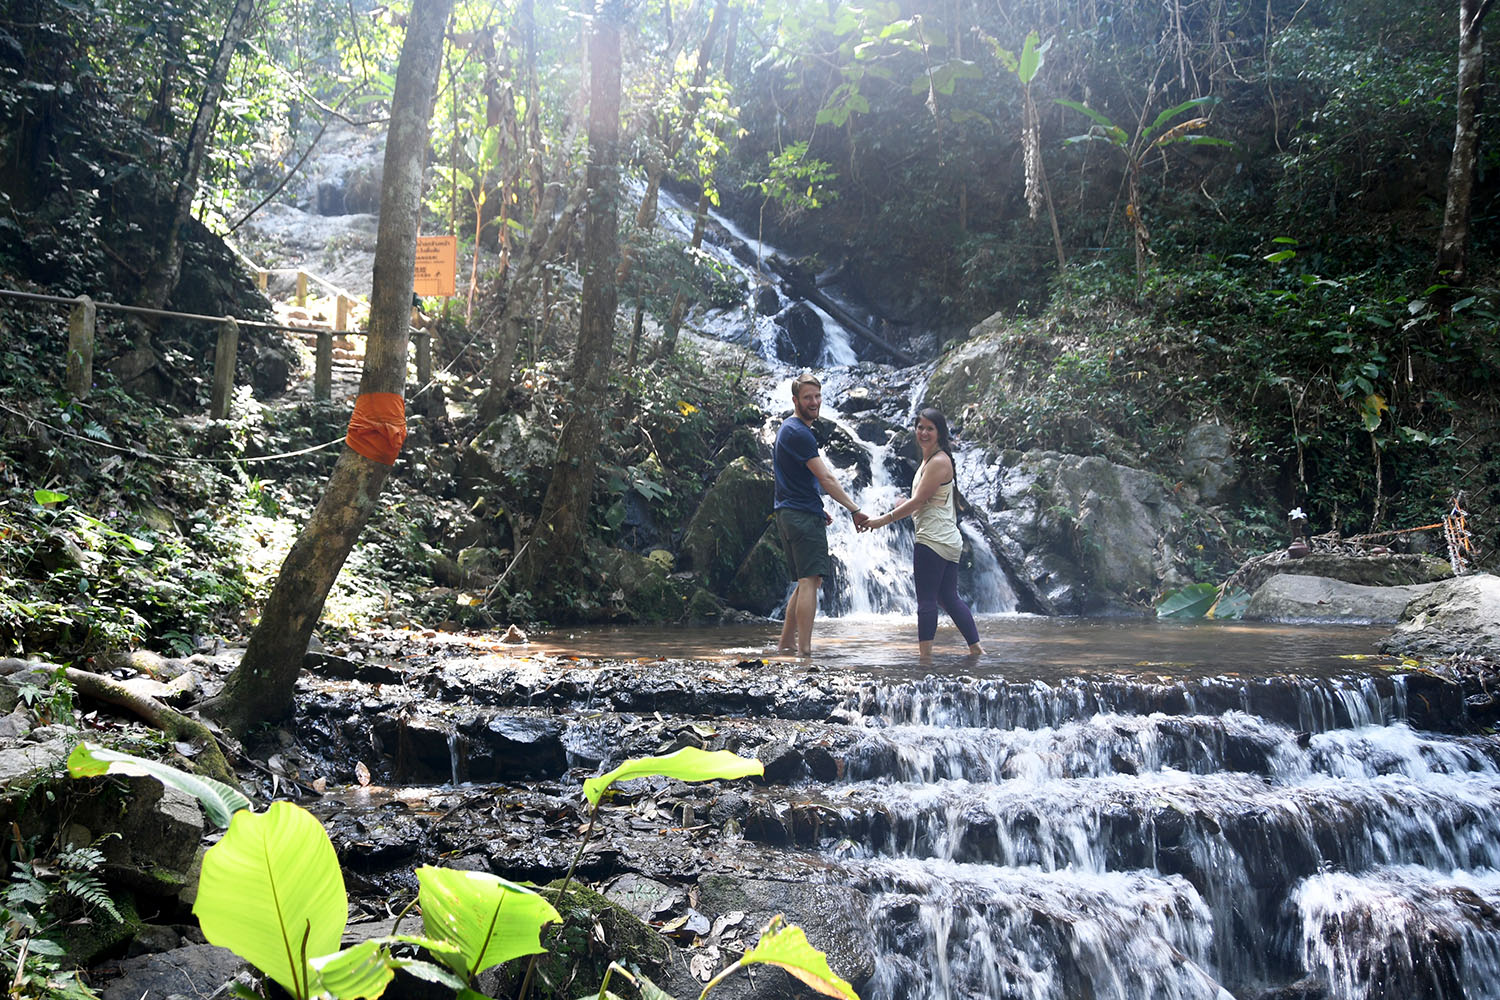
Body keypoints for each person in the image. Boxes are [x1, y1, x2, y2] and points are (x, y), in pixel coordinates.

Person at [860, 407, 983, 658]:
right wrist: (905, 501)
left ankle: (925, 659)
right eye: (920, 427)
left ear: (940, 433)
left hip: (932, 539)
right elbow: (925, 499)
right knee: (948, 598)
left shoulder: (938, 461)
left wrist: (880, 521)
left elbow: (918, 503)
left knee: (926, 600)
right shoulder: (932, 460)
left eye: (930, 428)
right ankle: (976, 649)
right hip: (946, 540)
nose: (923, 433)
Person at [774, 372, 868, 655]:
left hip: (793, 511)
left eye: (817, 396)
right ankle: (805, 651)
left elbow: (791, 477)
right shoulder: (799, 433)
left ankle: (787, 644)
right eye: (807, 397)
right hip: (800, 516)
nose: (814, 402)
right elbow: (826, 478)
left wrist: (816, 506)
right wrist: (855, 509)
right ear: (795, 400)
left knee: (808, 580)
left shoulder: (789, 430)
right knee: (809, 581)